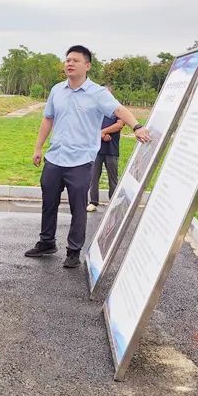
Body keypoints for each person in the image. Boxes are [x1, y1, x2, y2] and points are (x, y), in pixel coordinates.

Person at [26, 45, 150, 268]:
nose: (69, 64)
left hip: (80, 162)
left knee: (78, 208)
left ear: (87, 65)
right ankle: (46, 242)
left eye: (75, 60)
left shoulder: (98, 93)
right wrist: (38, 148)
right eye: (67, 60)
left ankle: (73, 251)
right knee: (49, 203)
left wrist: (137, 126)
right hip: (55, 158)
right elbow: (47, 120)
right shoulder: (57, 90)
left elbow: (120, 111)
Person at [86, 111, 123, 212]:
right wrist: (100, 134)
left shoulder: (117, 109)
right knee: (93, 177)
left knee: (113, 178)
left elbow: (119, 125)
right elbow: (89, 124)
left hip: (112, 150)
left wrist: (102, 131)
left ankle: (113, 202)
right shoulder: (97, 108)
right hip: (96, 150)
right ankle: (93, 202)